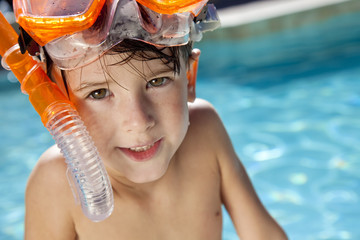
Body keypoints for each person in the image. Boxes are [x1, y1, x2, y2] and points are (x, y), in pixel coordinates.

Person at [16, 0, 288, 239]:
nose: (138, 122)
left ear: (189, 79)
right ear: (57, 103)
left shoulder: (206, 133)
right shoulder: (56, 183)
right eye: (98, 93)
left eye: (157, 81)